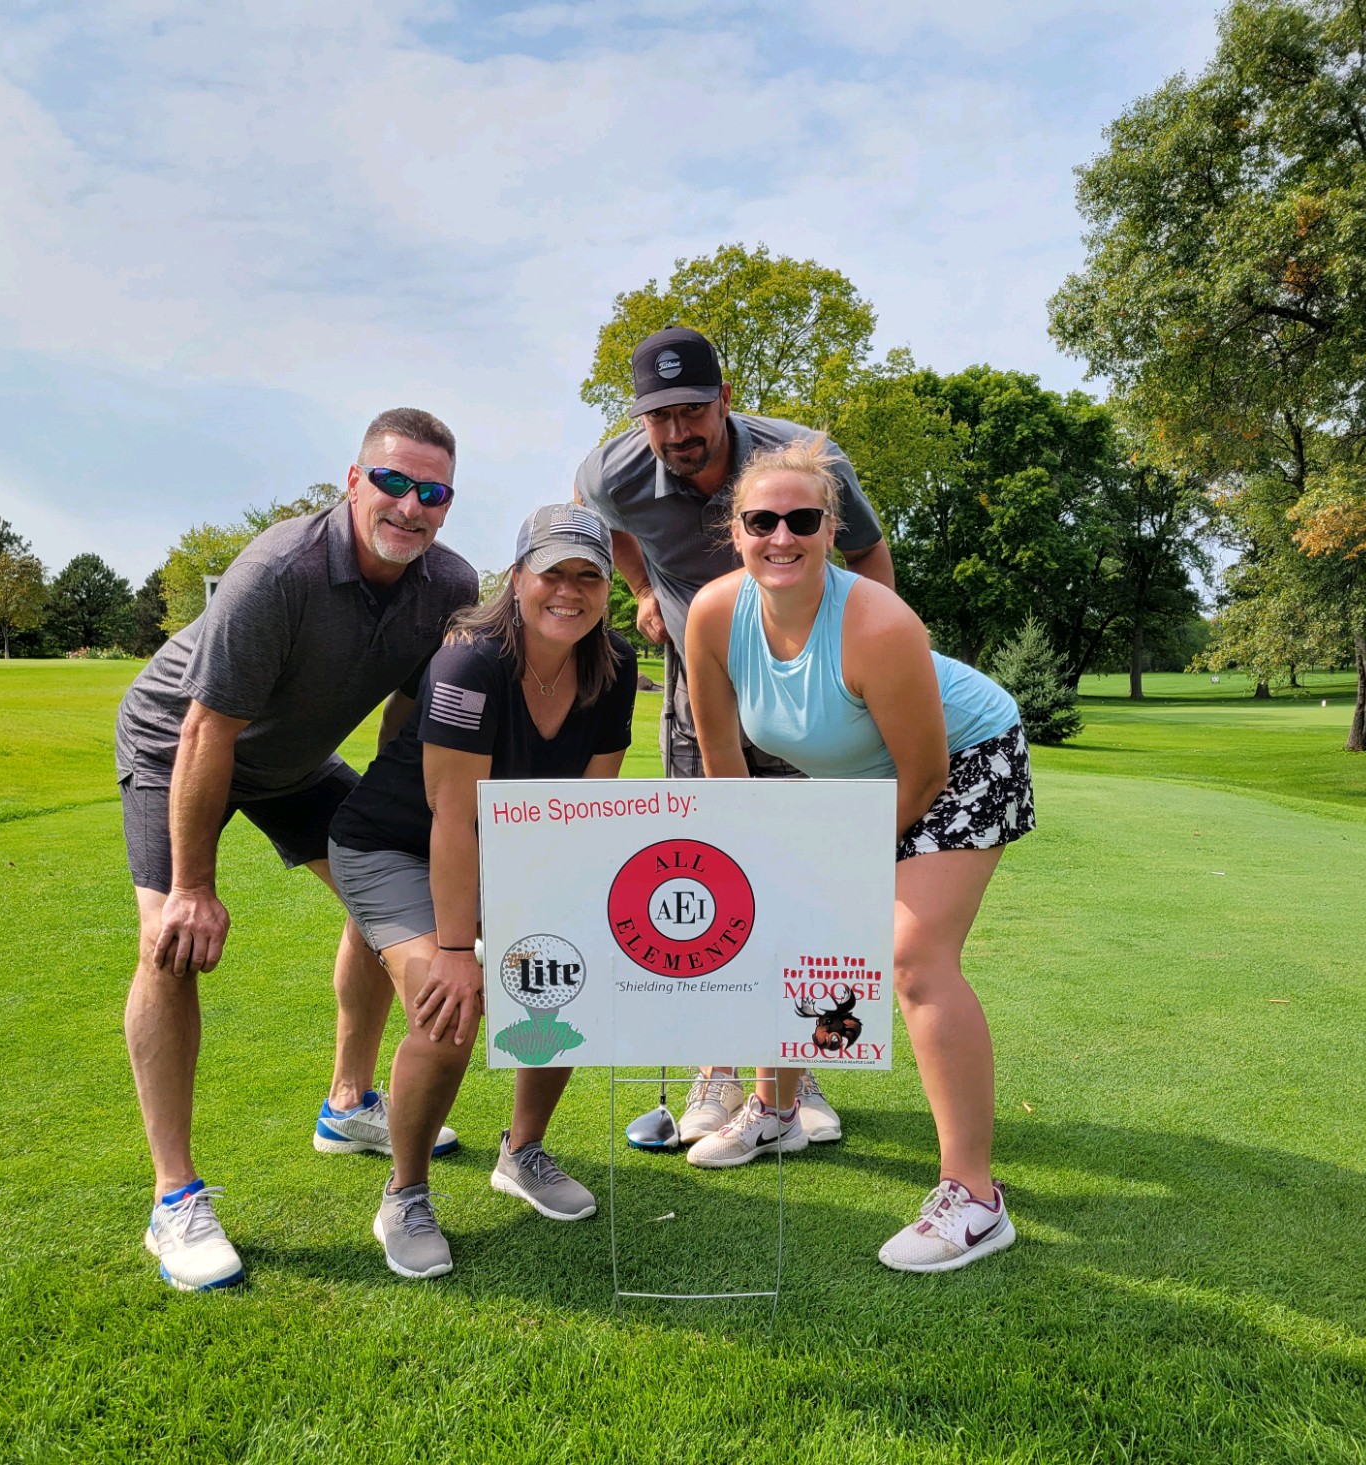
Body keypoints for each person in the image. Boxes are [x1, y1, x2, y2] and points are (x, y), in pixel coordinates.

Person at [113, 407, 479, 1291]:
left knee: (383, 893)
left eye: (432, 492)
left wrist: (400, 817)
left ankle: (347, 1103)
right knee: (170, 944)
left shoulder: (448, 585)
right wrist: (195, 883)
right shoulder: (278, 569)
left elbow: (407, 710)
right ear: (353, 481)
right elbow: (208, 728)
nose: (409, 505)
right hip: (180, 747)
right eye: (392, 482)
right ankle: (174, 1200)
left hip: (296, 762)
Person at [683, 436, 1035, 1274]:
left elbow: (924, 772)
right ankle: (775, 1106)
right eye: (760, 520)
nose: (781, 536)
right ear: (735, 531)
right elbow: (721, 756)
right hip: (856, 780)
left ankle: (975, 1199)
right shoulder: (712, 614)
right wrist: (750, 869)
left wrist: (844, 862)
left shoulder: (876, 622)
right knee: (779, 928)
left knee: (913, 959)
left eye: (801, 519)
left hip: (964, 760)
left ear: (830, 528)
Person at [575, 326, 897, 1146]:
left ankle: (799, 1062)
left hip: (800, 682)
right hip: (699, 680)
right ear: (639, 418)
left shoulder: (803, 458)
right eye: (659, 416)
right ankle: (716, 1068)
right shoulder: (611, 471)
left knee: (796, 870)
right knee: (713, 868)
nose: (677, 431)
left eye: (692, 410)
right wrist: (643, 586)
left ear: (724, 399)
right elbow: (598, 520)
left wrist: (857, 669)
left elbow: (866, 552)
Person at [329, 504, 638, 1279]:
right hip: (396, 841)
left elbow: (587, 811)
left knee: (567, 981)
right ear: (518, 577)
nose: (567, 591)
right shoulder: (470, 659)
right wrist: (461, 950)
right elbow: (452, 816)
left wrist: (576, 924)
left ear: (605, 588)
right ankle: (404, 1191)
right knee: (448, 1005)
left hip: (512, 841)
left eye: (586, 575)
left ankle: (521, 1151)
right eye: (552, 572)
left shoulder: (616, 666)